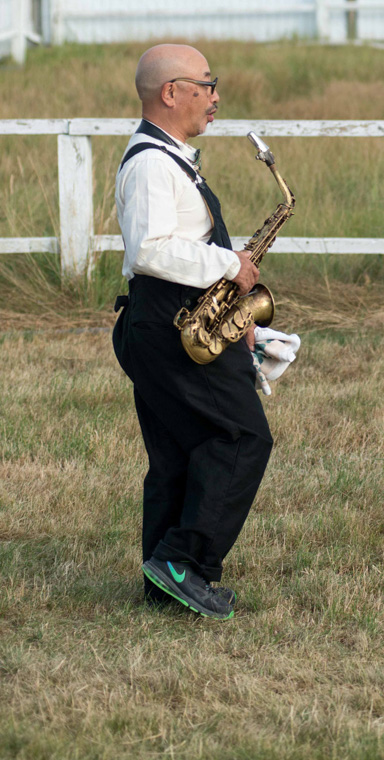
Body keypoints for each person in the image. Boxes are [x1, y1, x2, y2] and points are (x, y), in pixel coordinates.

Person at [112, 43, 273, 620]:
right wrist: (231, 265)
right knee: (241, 438)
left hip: (176, 316)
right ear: (170, 92)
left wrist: (235, 315)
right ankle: (182, 561)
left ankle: (165, 587)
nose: (215, 96)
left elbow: (178, 244)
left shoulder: (170, 157)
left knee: (178, 454)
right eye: (206, 85)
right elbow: (151, 250)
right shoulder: (152, 165)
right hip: (171, 323)